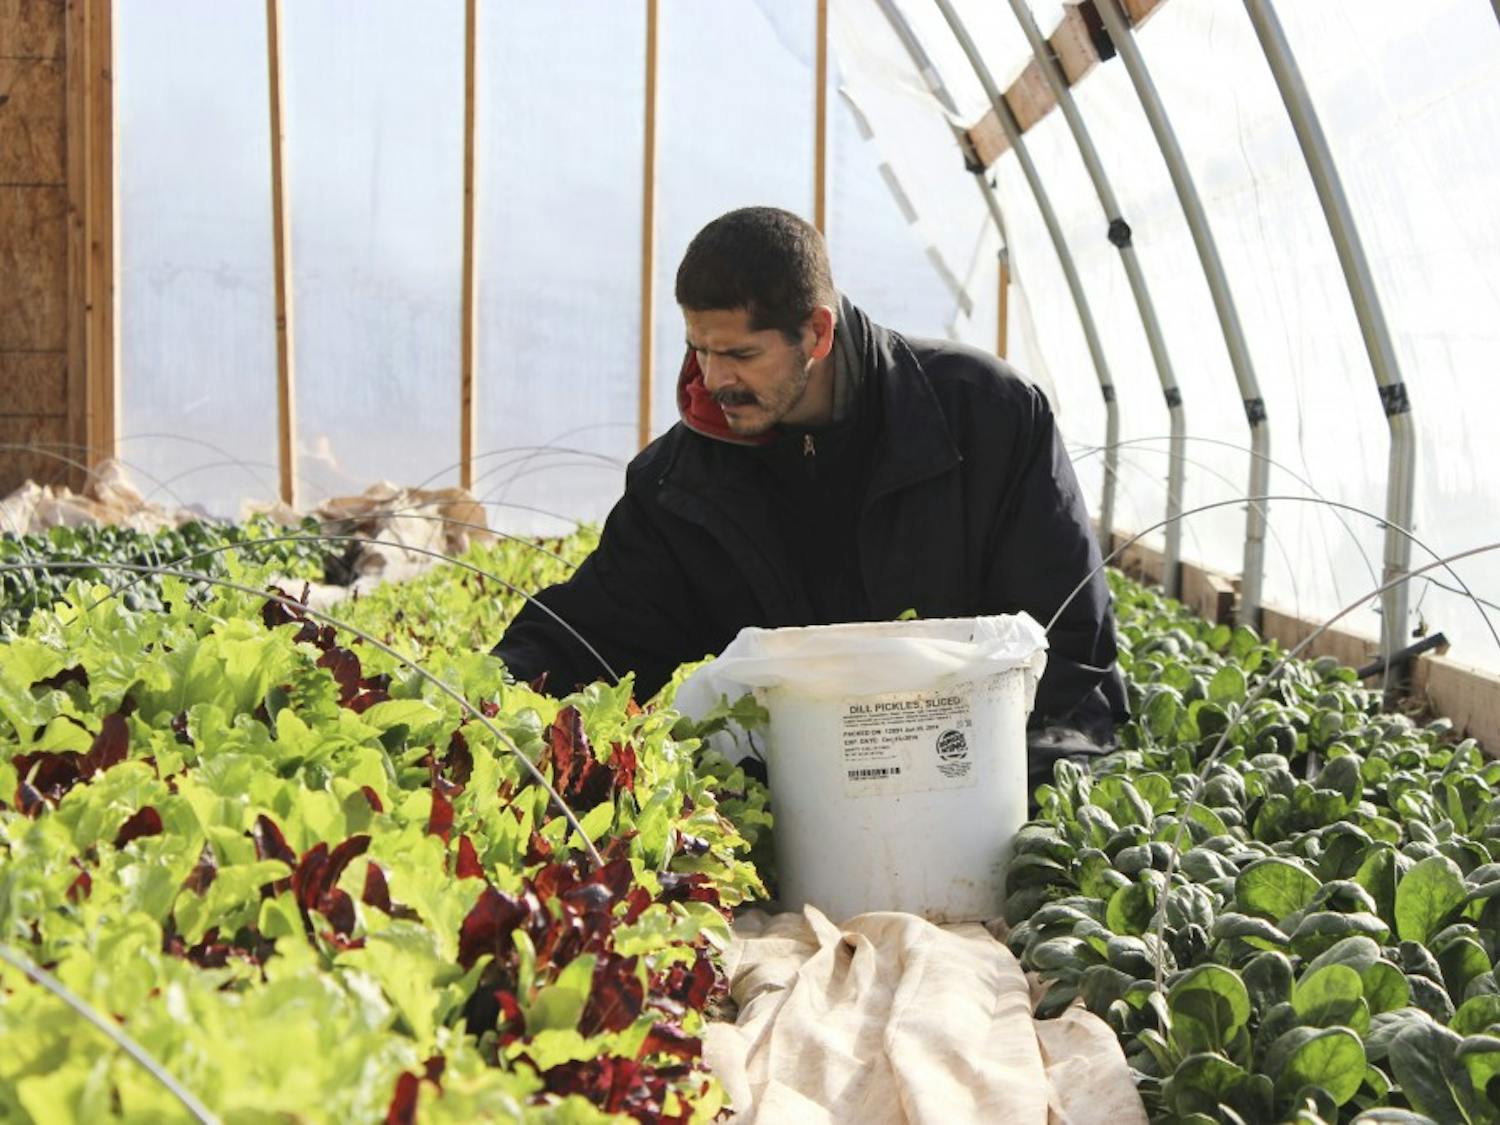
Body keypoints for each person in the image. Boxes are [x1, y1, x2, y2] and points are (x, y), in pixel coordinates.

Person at [493, 206, 1126, 759]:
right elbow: (600, 627)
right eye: (700, 349)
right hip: (803, 776)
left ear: (817, 332)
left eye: (741, 354)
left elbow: (1065, 635)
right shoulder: (685, 478)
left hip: (978, 757)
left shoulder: (984, 414)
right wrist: (494, 694)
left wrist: (948, 766)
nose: (714, 380)